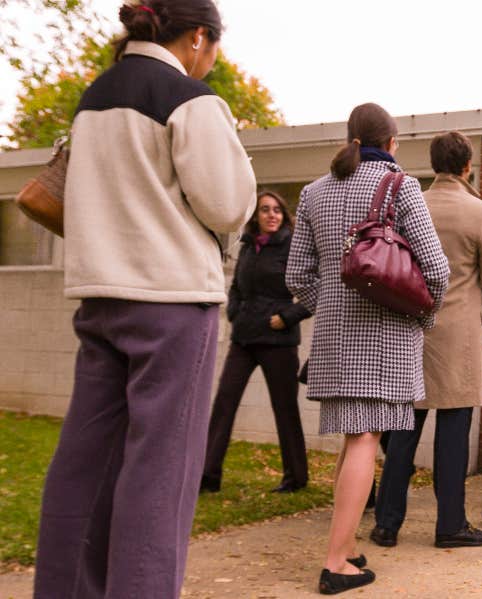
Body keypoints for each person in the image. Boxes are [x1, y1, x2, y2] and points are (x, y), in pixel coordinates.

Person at [34, 2, 256, 597]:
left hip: (100, 297)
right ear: (199, 37)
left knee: (86, 461)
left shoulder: (93, 99)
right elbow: (228, 204)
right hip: (172, 300)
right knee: (161, 470)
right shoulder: (189, 99)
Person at [287, 103, 449, 594]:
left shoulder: (313, 192)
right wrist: (421, 316)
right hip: (384, 336)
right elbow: (436, 271)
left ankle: (348, 542)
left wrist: (332, 306)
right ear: (393, 142)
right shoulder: (401, 187)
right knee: (365, 440)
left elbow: (297, 276)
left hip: (335, 340)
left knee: (352, 438)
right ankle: (336, 562)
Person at [370, 131, 482, 549]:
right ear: (469, 166)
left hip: (411, 329)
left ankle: (387, 523)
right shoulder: (481, 213)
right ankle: (450, 525)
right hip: (459, 336)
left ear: (433, 164)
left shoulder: (409, 206)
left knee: (403, 432)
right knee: (453, 434)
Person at [200, 191, 312, 494]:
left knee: (285, 408)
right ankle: (208, 476)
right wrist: (235, 311)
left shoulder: (293, 245)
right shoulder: (248, 245)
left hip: (278, 340)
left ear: (283, 214)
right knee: (224, 402)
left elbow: (317, 287)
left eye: (277, 210)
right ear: (256, 216)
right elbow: (236, 286)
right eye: (265, 210)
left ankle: (296, 477)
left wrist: (288, 316)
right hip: (244, 337)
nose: (271, 215)